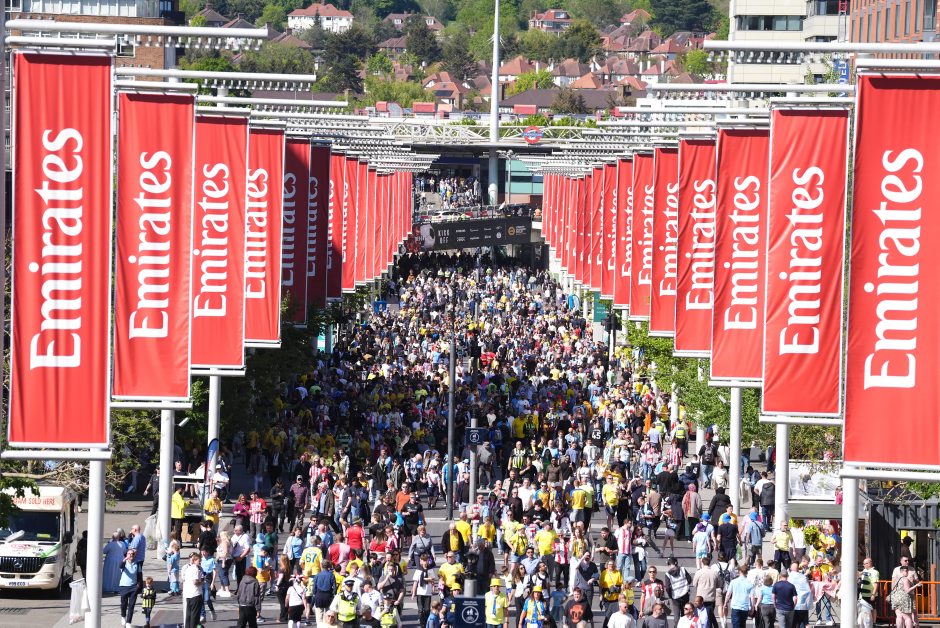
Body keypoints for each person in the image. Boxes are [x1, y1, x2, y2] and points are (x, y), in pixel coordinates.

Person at [664, 556, 692, 625]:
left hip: (675, 597)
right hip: (685, 595)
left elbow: (667, 588)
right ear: (676, 563)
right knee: (685, 614)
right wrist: (685, 586)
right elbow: (689, 580)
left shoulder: (667, 574)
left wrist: (671, 595)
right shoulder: (682, 569)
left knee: (676, 616)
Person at [412, 553, 436, 627]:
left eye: (426, 560)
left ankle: (426, 623)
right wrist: (413, 592)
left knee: (427, 609)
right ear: (421, 561)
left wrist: (433, 588)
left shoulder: (430, 570)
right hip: (420, 592)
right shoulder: (418, 571)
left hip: (427, 593)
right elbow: (415, 582)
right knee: (420, 609)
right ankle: (422, 623)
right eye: (423, 560)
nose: (424, 562)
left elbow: (433, 580)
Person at [181, 551, 205, 628]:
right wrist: (201, 581)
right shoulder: (195, 569)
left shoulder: (189, 569)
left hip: (188, 594)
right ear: (194, 560)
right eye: (199, 560)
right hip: (195, 594)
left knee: (189, 614)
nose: (200, 562)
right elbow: (195, 581)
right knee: (194, 615)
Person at [118, 548, 140, 628]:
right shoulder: (124, 563)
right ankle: (123, 616)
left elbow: (139, 575)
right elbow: (120, 565)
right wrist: (125, 559)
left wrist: (139, 586)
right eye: (129, 554)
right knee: (124, 604)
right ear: (126, 555)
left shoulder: (137, 564)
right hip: (124, 586)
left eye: (132, 554)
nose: (131, 555)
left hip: (133, 587)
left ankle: (128, 622)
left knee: (131, 605)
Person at [858, 557, 880, 628]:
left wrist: (873, 594)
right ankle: (865, 624)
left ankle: (874, 623)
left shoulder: (875, 572)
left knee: (873, 608)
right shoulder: (864, 570)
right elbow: (859, 574)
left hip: (870, 594)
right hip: (862, 595)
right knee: (864, 611)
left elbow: (876, 584)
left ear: (870, 563)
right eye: (863, 563)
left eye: (866, 563)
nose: (864, 565)